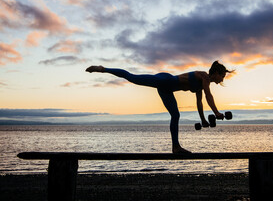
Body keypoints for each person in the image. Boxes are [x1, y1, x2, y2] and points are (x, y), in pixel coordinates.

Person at [86, 61, 233, 154]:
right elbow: (209, 97)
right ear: (216, 73)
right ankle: (103, 69)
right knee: (133, 78)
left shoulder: (202, 85)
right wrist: (217, 113)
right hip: (165, 80)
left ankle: (176, 147)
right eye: (222, 76)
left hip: (167, 90)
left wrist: (203, 120)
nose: (222, 80)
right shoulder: (204, 77)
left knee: (175, 116)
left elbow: (200, 103)